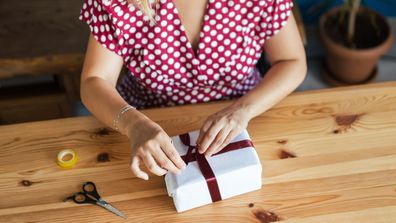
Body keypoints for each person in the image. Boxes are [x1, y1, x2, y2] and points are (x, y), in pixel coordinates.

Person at [78, 0, 306, 180]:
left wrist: (243, 110)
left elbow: (292, 61)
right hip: (145, 117)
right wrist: (134, 125)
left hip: (250, 112)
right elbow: (94, 80)